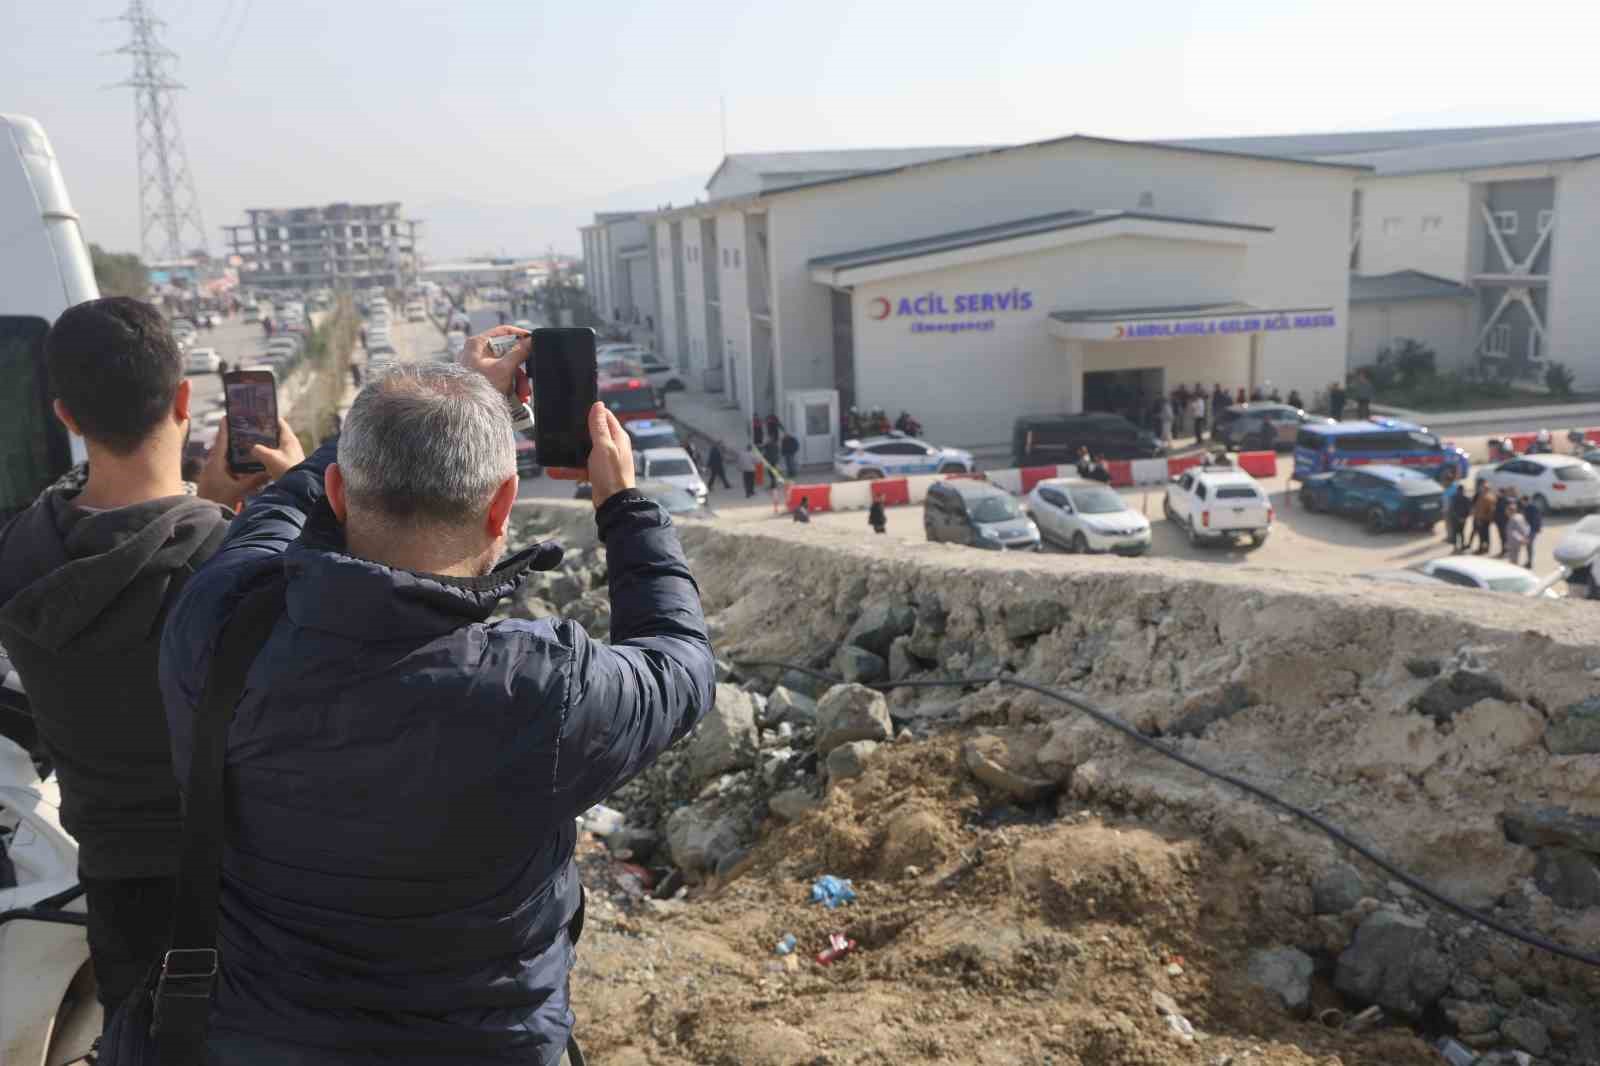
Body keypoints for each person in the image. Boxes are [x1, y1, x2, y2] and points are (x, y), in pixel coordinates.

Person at [159, 337, 715, 1064]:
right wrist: (627, 509)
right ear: (502, 508)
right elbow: (681, 662)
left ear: (338, 494)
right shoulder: (544, 692)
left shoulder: (220, 623)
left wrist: (430, 401)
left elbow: (280, 517)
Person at [0, 298, 303, 1018]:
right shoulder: (246, 565)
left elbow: (128, 554)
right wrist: (289, 500)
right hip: (244, 901)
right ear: (184, 400)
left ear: (66, 416)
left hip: (116, 897)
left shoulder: (19, 554)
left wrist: (208, 508)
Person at [1470, 482, 1497, 554]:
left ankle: (1482, 549)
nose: (1482, 489)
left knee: (1482, 535)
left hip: (1482, 519)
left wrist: (1480, 519)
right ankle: (1485, 548)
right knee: (1485, 535)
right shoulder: (1489, 496)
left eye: (1483, 488)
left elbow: (1489, 510)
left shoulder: (1486, 497)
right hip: (1484, 519)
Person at [1448, 477, 1473, 553]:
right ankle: (1459, 547)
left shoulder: (1454, 498)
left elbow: (1452, 509)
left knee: (1457, 534)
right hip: (1460, 519)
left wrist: (1460, 518)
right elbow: (1469, 510)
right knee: (1460, 533)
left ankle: (1457, 547)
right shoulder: (1466, 498)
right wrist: (1464, 518)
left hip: (1456, 519)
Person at [1522, 494, 1543, 568]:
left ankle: (1530, 563)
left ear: (1525, 501)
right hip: (1531, 530)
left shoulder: (1531, 508)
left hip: (1531, 530)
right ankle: (1529, 562)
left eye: (1523, 502)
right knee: (1529, 547)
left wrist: (1531, 532)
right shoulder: (1531, 507)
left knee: (1529, 547)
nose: (1522, 503)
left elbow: (1534, 520)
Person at [1493, 488, 1512, 556]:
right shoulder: (1498, 500)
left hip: (1504, 523)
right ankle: (1504, 550)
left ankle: (1505, 551)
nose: (1498, 493)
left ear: (1503, 493)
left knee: (1505, 538)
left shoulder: (1506, 501)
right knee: (1502, 537)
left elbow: (1509, 512)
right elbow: (1496, 511)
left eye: (1499, 492)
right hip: (1499, 522)